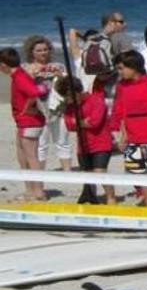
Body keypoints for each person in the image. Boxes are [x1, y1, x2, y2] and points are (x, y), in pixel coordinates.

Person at [109, 50, 147, 207]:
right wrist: (122, 136)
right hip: (132, 138)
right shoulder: (121, 86)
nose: (119, 72)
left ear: (134, 67)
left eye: (121, 68)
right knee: (140, 177)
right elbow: (121, 112)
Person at [56, 76, 115, 204]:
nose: (67, 100)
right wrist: (82, 122)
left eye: (69, 96)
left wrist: (78, 122)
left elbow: (94, 123)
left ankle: (111, 197)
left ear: (77, 92)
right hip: (83, 145)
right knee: (87, 174)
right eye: (65, 97)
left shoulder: (95, 100)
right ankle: (90, 197)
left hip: (101, 143)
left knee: (100, 172)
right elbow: (69, 125)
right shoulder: (70, 107)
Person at [0, 47, 48, 200]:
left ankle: (38, 191)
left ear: (4, 65)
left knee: (31, 156)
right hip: (23, 122)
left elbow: (34, 93)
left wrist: (26, 109)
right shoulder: (18, 74)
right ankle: (30, 190)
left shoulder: (19, 77)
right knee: (22, 156)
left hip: (30, 122)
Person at [22, 36, 72, 172]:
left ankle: (67, 172)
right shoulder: (26, 68)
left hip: (58, 110)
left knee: (62, 142)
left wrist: (60, 75)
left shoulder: (58, 66)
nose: (43, 53)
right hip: (38, 111)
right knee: (41, 145)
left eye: (46, 49)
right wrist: (32, 77)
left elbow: (69, 86)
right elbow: (21, 89)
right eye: (39, 50)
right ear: (31, 52)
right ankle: (40, 174)